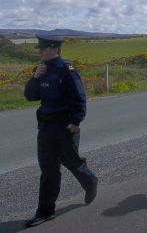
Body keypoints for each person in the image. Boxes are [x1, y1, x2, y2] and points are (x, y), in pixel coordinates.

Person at [23, 35, 98, 228]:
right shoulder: (40, 70)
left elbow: (79, 97)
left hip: (66, 126)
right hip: (46, 127)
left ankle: (90, 181)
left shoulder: (67, 69)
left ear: (54, 49)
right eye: (39, 49)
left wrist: (76, 121)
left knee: (71, 162)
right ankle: (45, 212)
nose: (40, 52)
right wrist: (34, 78)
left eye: (43, 49)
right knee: (48, 170)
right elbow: (30, 96)